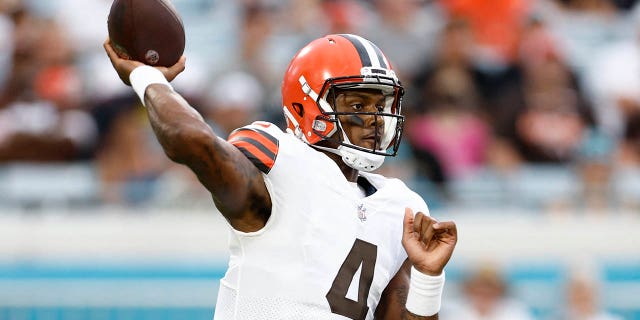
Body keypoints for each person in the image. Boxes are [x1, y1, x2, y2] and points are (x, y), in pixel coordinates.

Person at [104, 33, 458, 320]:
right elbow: (190, 141)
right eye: (357, 105)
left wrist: (429, 278)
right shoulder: (281, 160)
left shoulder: (401, 206)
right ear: (306, 108)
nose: (375, 120)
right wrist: (145, 76)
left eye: (380, 106)